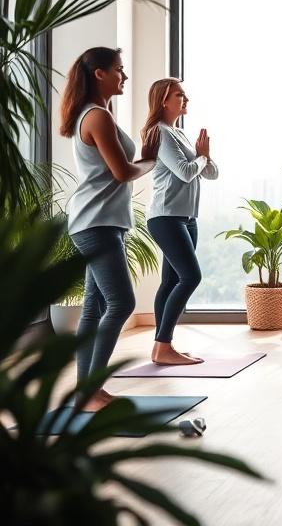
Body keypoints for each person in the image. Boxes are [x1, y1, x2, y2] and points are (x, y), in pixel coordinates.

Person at [59, 47, 158, 411]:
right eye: (119, 70)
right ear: (99, 74)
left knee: (94, 306)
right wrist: (148, 160)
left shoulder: (97, 113)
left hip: (101, 221)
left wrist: (141, 159)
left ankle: (88, 392)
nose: (124, 76)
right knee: (121, 302)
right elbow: (122, 173)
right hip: (96, 223)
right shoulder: (97, 116)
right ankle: (90, 390)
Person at [142, 78, 219, 366]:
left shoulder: (181, 134)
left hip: (187, 218)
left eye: (185, 95)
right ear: (164, 100)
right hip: (165, 217)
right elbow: (188, 172)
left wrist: (204, 158)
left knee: (171, 280)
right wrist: (202, 158)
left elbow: (212, 173)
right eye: (179, 95)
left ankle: (162, 347)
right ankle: (163, 346)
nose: (185, 99)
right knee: (190, 277)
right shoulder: (160, 133)